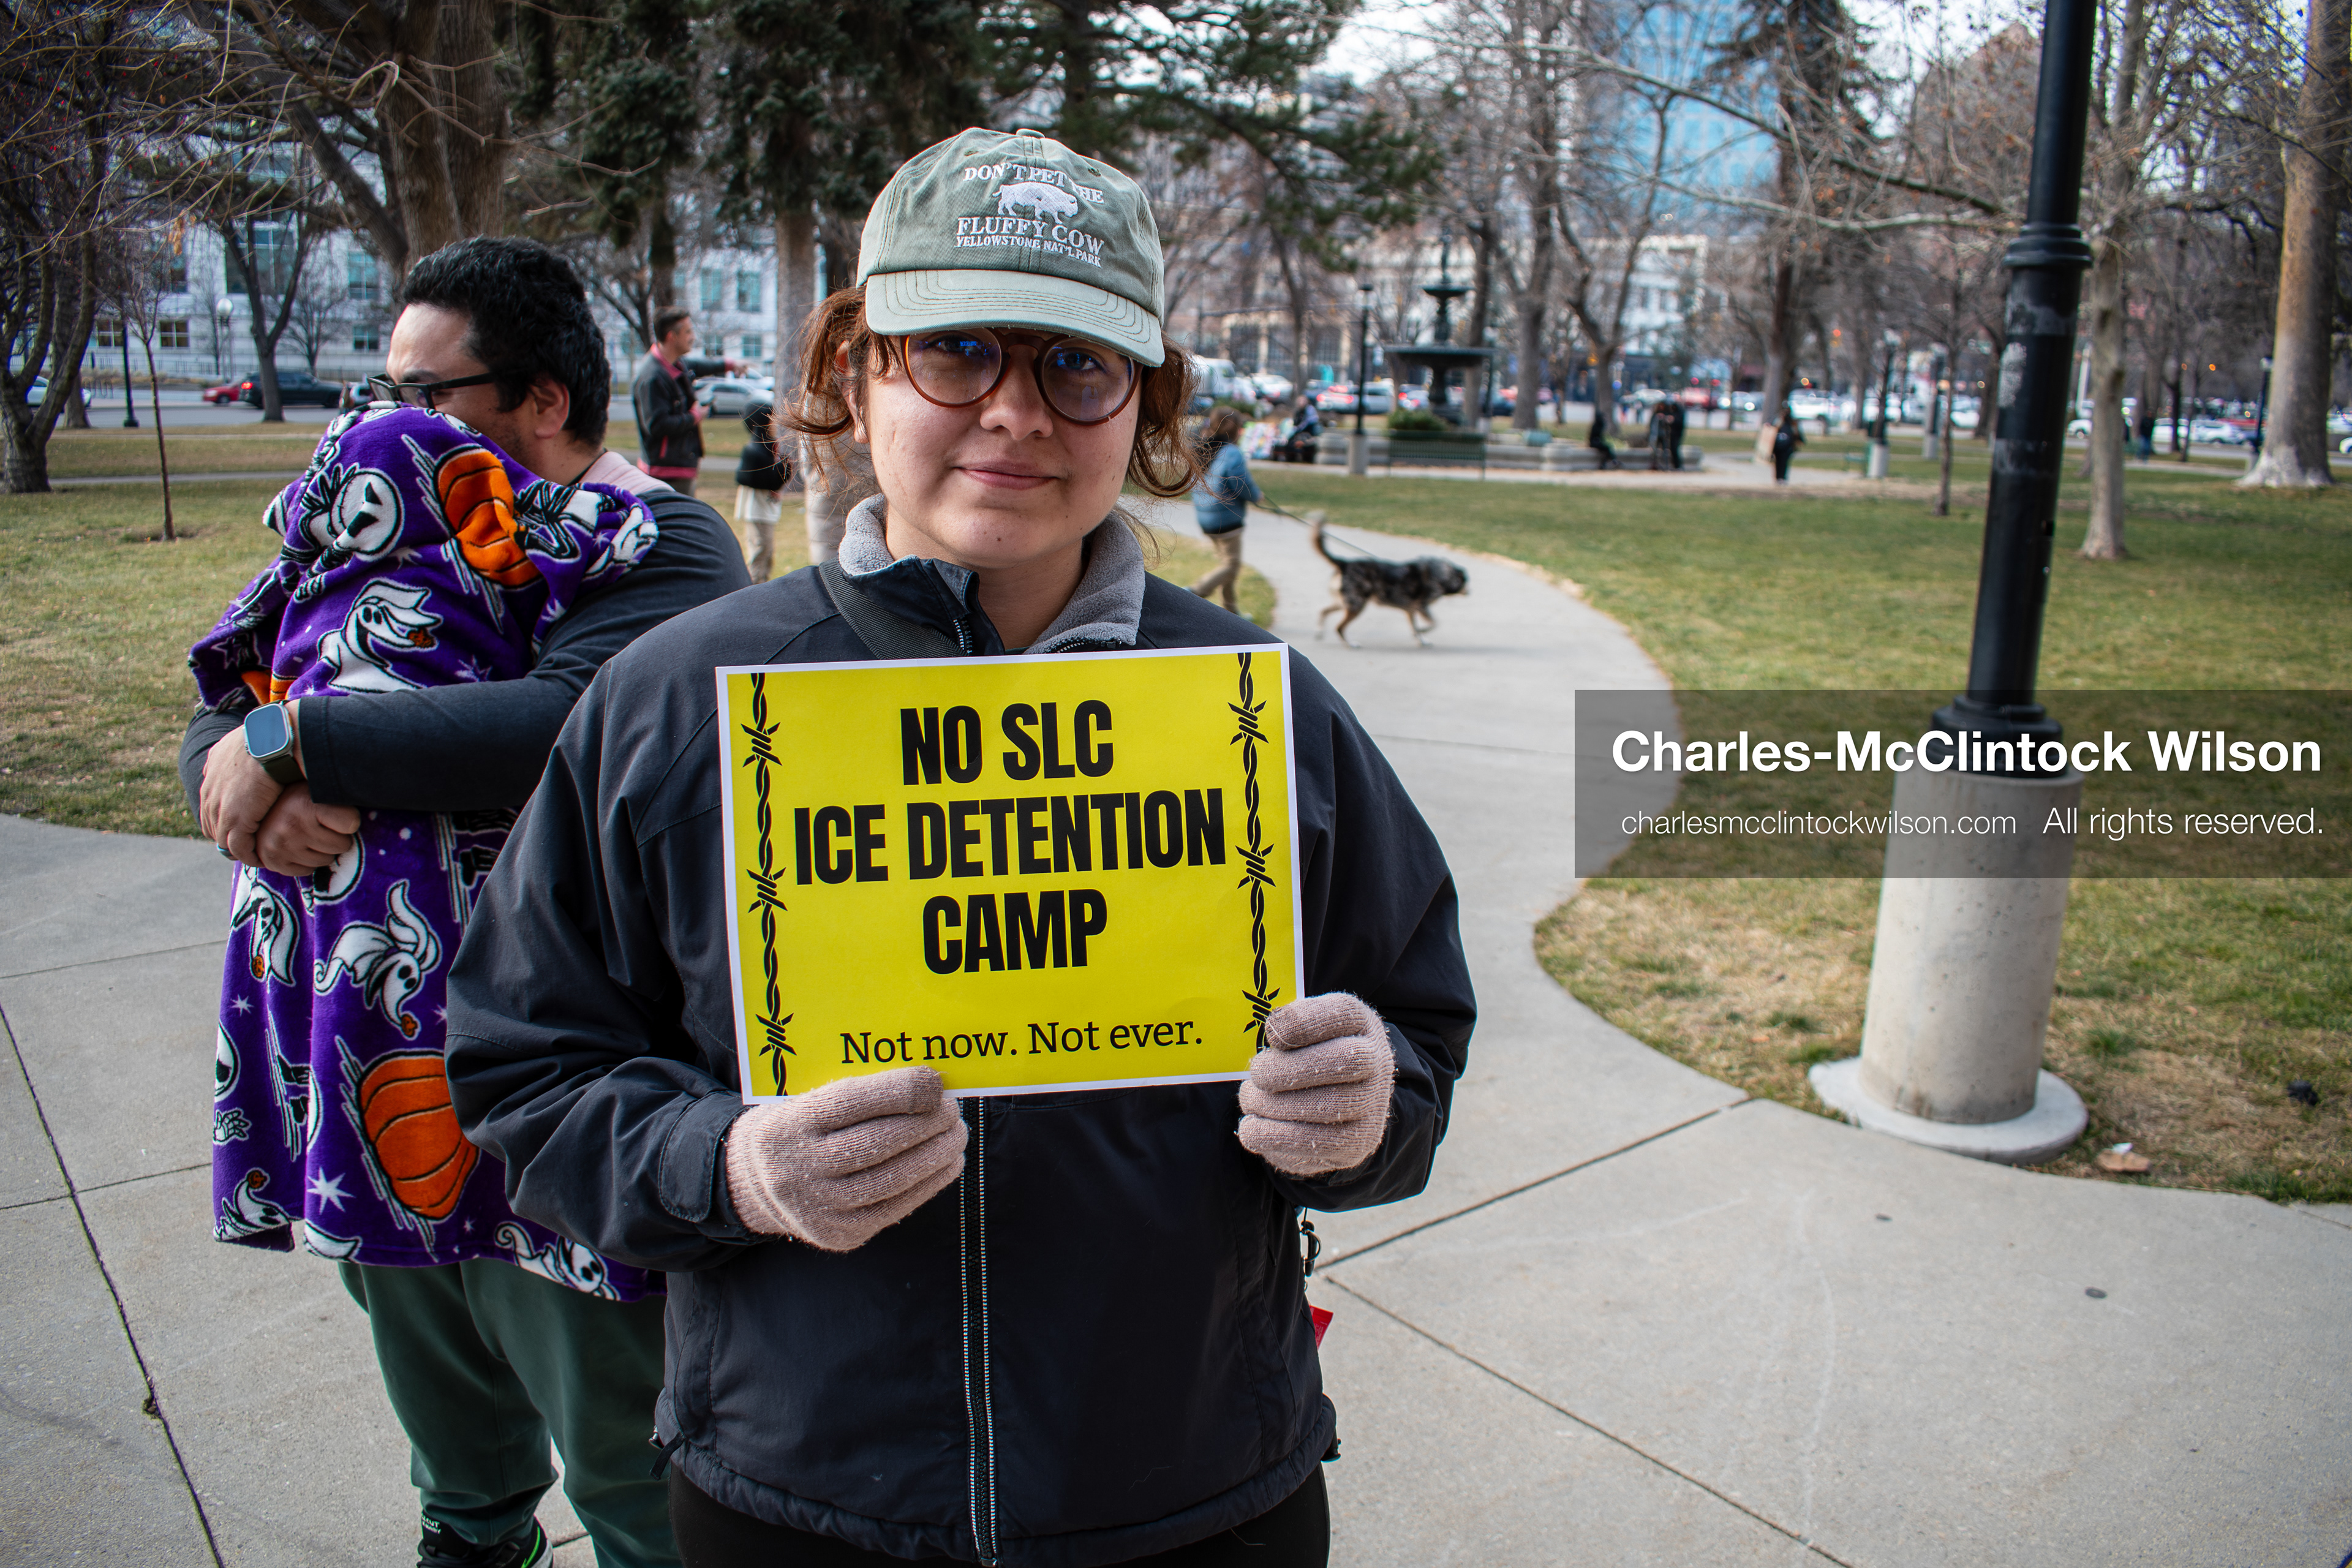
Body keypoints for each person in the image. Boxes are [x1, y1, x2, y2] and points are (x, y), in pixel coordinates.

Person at [443, 125, 1474, 1568]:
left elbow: (1414, 1031)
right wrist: (726, 1165)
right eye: (958, 350)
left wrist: (1368, 1109)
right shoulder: (675, 703)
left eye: (1075, 363)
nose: (1016, 413)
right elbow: (520, 1066)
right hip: (800, 1488)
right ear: (858, 372)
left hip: (1193, 1487)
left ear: (1142, 403)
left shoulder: (1269, 718)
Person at [182, 235, 752, 1568]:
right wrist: (233, 771)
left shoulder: (658, 539)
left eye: (422, 392)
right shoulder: (372, 522)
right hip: (360, 1063)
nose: (380, 423)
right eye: (373, 391)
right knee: (456, 1459)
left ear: (542, 401)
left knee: (631, 1468)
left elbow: (566, 719)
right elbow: (228, 689)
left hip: (559, 1091)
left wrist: (294, 745)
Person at [632, 307, 733, 498]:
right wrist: (694, 416)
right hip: (665, 474)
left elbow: (698, 366)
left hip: (680, 467)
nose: (692, 337)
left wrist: (728, 365)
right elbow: (657, 425)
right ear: (672, 336)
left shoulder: (676, 365)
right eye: (688, 332)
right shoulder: (652, 377)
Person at [1191, 405, 1261, 612]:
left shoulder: (1204, 448)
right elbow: (1240, 482)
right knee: (1231, 566)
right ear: (1235, 429)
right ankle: (1194, 592)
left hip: (1206, 517)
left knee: (1227, 566)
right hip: (1226, 518)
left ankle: (1232, 613)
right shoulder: (1231, 452)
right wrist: (1256, 496)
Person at [733, 396, 793, 582]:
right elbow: (766, 480)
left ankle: (762, 585)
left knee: (767, 552)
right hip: (756, 511)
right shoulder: (754, 452)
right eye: (772, 418)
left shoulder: (769, 448)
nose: (775, 423)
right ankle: (753, 589)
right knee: (759, 551)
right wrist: (784, 468)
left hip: (765, 509)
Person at [1274, 394, 1321, 462]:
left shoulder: (1310, 410)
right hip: (1299, 433)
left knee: (1296, 443)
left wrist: (1296, 429)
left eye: (1303, 401)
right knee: (1287, 443)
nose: (1301, 403)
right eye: (1300, 401)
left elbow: (1306, 423)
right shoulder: (1299, 412)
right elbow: (1295, 422)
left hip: (1308, 433)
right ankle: (1290, 459)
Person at [1773, 403, 1805, 483]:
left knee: (1784, 462)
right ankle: (1778, 477)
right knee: (1778, 462)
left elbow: (1797, 434)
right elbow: (1773, 430)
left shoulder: (1793, 423)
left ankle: (1783, 478)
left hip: (1788, 447)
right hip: (1778, 447)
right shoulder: (1779, 421)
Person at [1587, 404, 1619, 469]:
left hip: (1597, 442)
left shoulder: (1599, 425)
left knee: (1607, 450)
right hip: (1594, 443)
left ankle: (1605, 464)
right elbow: (1597, 435)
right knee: (1607, 448)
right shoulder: (1597, 426)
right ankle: (1613, 461)